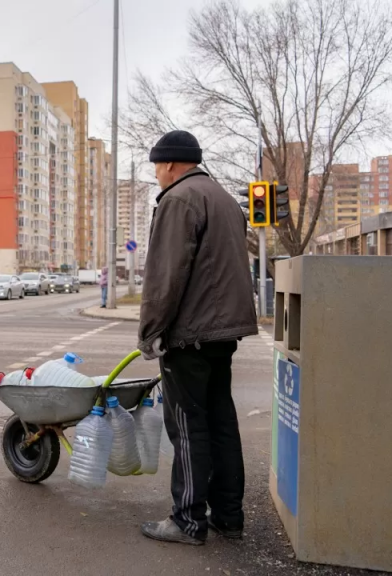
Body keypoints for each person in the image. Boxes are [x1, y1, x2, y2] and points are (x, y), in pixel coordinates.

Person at [137, 131, 257, 545]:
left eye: (156, 166)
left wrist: (151, 331)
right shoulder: (224, 199)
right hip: (223, 333)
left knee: (187, 426)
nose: (156, 175)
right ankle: (229, 516)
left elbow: (164, 277)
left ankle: (188, 520)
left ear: (170, 164)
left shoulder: (178, 200)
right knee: (221, 422)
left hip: (189, 334)